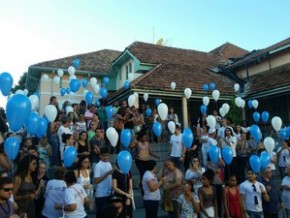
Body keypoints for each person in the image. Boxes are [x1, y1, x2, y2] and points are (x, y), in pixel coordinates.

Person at [94, 147, 113, 218]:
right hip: (101, 195)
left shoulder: (109, 164)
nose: (106, 157)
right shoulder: (98, 166)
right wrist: (107, 173)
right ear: (100, 155)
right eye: (104, 155)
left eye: (107, 155)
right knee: (101, 214)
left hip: (109, 193)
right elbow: (96, 181)